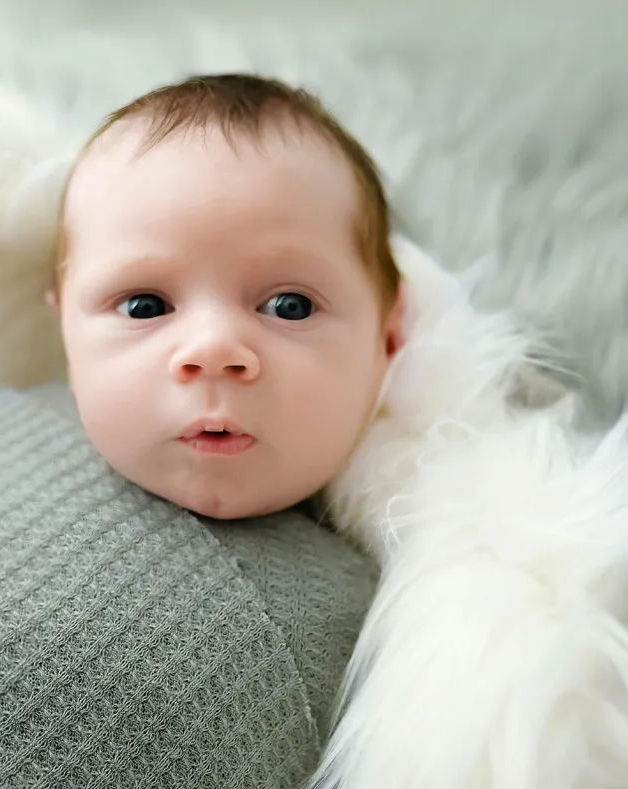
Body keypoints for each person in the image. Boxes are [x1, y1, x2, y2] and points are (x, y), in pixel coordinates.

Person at [48, 73, 406, 521]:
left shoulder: (460, 517)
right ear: (65, 335)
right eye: (146, 306)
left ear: (389, 337)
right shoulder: (17, 464)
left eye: (289, 306)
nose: (214, 349)